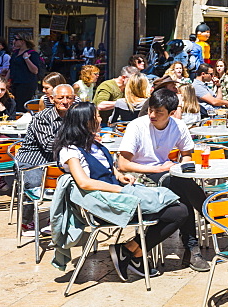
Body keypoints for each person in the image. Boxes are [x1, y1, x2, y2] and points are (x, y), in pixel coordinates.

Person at [53, 102, 192, 280]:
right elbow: (84, 182)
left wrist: (119, 176)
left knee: (176, 207)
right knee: (178, 212)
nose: (99, 118)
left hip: (116, 195)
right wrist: (118, 189)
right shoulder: (70, 151)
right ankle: (132, 252)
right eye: (96, 115)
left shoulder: (93, 143)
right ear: (85, 121)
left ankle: (130, 250)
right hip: (104, 205)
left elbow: (109, 169)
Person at [115, 88, 209, 271]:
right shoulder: (137, 125)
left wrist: (180, 166)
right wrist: (158, 168)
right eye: (151, 109)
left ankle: (193, 245)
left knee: (181, 190)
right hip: (137, 175)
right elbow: (123, 164)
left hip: (165, 174)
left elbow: (187, 154)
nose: (152, 115)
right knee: (181, 186)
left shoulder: (178, 125)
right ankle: (208, 215)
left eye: (158, 112)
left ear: (171, 113)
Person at [16, 83, 75, 230]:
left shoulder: (74, 115)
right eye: (61, 98)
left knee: (80, 179)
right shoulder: (42, 118)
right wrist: (77, 137)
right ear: (52, 99)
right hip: (33, 159)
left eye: (69, 98)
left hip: (58, 160)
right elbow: (49, 145)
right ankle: (26, 220)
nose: (65, 101)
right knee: (35, 183)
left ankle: (57, 218)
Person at [9, 34, 44, 105]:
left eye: (16, 39)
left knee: (22, 104)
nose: (14, 41)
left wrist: (26, 59)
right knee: (13, 103)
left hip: (26, 83)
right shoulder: (15, 53)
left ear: (23, 41)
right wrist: (6, 81)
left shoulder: (32, 54)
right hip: (15, 82)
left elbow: (35, 71)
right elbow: (11, 68)